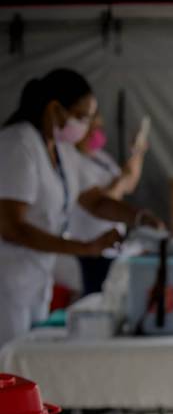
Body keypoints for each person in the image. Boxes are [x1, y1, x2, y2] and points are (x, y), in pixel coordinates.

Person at [0, 69, 160, 348]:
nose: (86, 126)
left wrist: (139, 217)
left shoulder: (62, 151)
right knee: (9, 367)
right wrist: (85, 247)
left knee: (26, 361)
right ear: (55, 109)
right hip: (8, 278)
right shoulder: (19, 145)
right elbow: (12, 227)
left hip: (36, 277)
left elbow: (95, 201)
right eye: (82, 116)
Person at [68, 112, 149, 294]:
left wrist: (137, 153)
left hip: (112, 245)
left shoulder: (100, 157)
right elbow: (103, 202)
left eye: (99, 127)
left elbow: (128, 184)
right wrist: (119, 181)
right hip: (91, 245)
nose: (98, 132)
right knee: (96, 297)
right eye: (94, 128)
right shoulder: (74, 162)